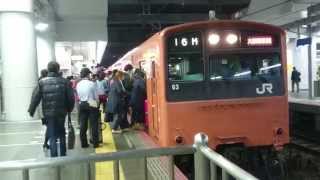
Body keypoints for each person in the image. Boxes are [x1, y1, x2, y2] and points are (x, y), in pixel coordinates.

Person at [28, 61, 75, 157]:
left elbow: (35, 97)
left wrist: (31, 110)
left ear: (48, 69)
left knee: (52, 133)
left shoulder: (42, 82)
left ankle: (53, 156)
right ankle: (63, 154)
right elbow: (71, 98)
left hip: (48, 113)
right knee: (61, 132)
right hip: (62, 112)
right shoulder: (65, 82)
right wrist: (69, 109)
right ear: (58, 69)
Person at [76, 68, 100, 148]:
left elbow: (78, 96)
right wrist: (97, 104)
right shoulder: (91, 84)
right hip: (91, 102)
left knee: (83, 125)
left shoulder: (78, 84)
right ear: (87, 74)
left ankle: (84, 143)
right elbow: (96, 97)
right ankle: (95, 143)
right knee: (94, 124)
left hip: (82, 103)